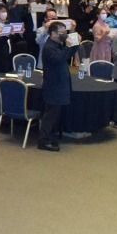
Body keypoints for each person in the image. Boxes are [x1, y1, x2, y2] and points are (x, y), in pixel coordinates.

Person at [38, 21, 76, 151]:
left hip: (59, 84)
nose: (65, 34)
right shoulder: (49, 47)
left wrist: (75, 43)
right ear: (53, 33)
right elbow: (59, 58)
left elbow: (68, 55)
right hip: (53, 86)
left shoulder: (58, 44)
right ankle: (43, 141)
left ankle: (51, 137)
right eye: (62, 32)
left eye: (65, 32)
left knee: (55, 114)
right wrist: (68, 47)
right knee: (50, 115)